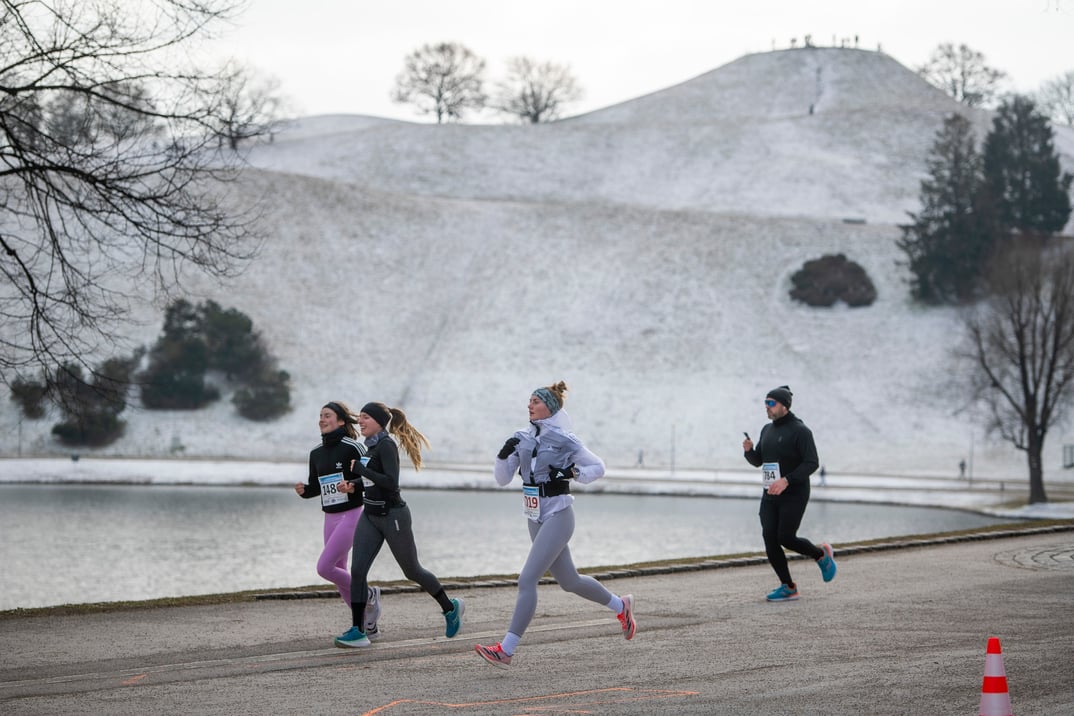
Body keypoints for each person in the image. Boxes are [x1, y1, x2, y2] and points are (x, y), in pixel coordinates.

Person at [475, 381, 636, 667]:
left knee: (527, 579)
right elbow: (501, 478)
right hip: (534, 515)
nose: (529, 405)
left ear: (549, 407)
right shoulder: (521, 437)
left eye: (535, 401)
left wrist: (571, 472)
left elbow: (598, 468)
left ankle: (506, 650)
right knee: (570, 581)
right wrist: (503, 454)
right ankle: (620, 605)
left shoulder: (565, 439)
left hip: (559, 514)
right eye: (529, 401)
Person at [333, 402, 464, 648]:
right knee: (358, 571)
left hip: (393, 515)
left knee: (412, 570)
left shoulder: (386, 445)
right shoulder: (369, 447)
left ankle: (450, 607)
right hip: (370, 514)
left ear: (380, 422)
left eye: (366, 418)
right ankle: (358, 630)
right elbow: (372, 481)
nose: (360, 422)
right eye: (359, 417)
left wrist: (361, 470)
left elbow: (391, 483)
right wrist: (354, 484)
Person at [294, 402, 382, 636]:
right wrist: (305, 491)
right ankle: (366, 625)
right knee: (338, 572)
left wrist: (352, 485)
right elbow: (317, 488)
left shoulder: (354, 447)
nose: (321, 419)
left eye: (327, 415)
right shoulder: (316, 453)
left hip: (352, 515)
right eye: (320, 415)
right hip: (329, 518)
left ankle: (369, 593)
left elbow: (372, 478)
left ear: (341, 421)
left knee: (325, 567)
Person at [742, 386, 836, 602]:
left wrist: (786, 480)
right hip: (770, 493)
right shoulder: (767, 430)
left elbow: (812, 462)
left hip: (794, 492)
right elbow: (759, 461)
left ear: (784, 405)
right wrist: (749, 452)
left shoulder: (800, 431)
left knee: (785, 537)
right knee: (769, 537)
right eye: (765, 402)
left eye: (771, 403)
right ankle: (788, 586)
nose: (767, 407)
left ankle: (821, 555)